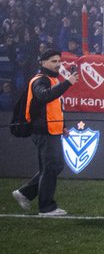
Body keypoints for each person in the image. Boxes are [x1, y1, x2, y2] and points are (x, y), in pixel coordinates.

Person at [11, 48, 77, 217]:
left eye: (59, 61)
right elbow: (43, 97)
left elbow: (54, 108)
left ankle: (25, 193)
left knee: (54, 166)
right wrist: (67, 83)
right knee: (51, 167)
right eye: (53, 61)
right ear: (43, 62)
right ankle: (46, 207)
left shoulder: (52, 80)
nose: (58, 64)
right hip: (43, 131)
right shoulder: (40, 80)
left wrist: (62, 127)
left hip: (52, 130)